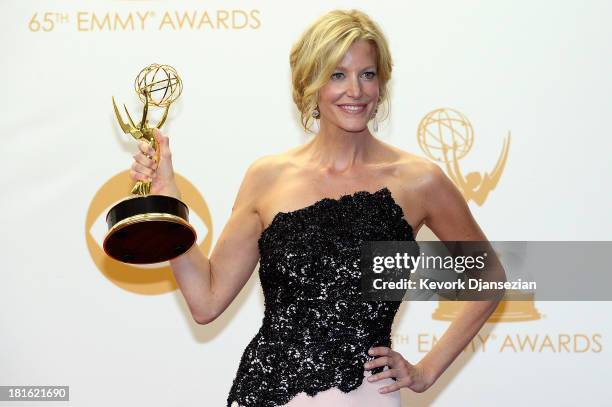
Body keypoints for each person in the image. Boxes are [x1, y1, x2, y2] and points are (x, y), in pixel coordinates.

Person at [129, 9, 503, 407]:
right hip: (263, 393)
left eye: (368, 74)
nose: (355, 91)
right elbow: (205, 301)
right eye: (337, 75)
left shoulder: (418, 180)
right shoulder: (267, 176)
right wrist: (166, 198)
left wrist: (425, 372)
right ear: (309, 84)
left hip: (364, 398)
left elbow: (490, 278)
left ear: (382, 83)